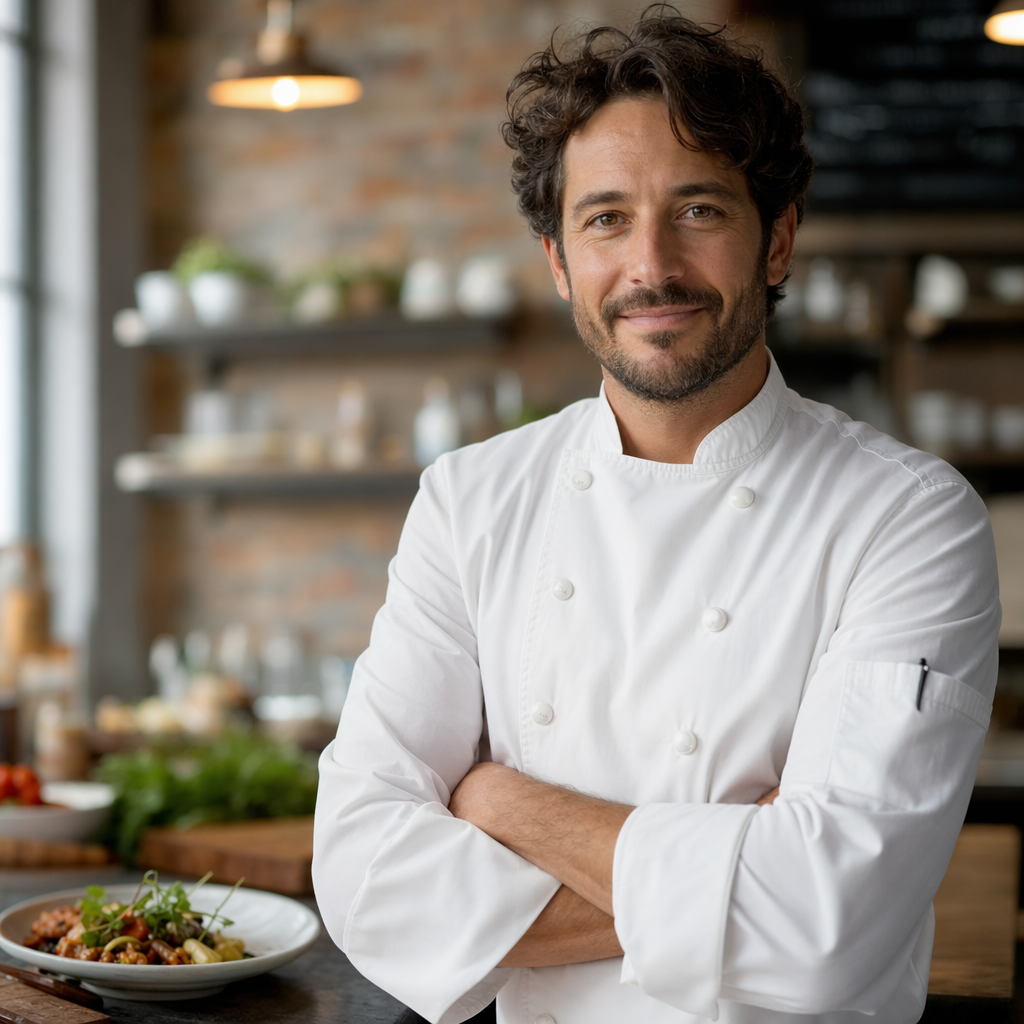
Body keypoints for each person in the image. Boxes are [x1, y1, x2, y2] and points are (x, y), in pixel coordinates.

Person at [312, 9, 1000, 1024]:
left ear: (778, 238)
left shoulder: (906, 517)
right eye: (604, 219)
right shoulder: (471, 499)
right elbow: (367, 886)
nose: (651, 267)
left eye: (699, 211)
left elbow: (822, 930)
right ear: (557, 260)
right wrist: (733, 861)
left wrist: (499, 803)